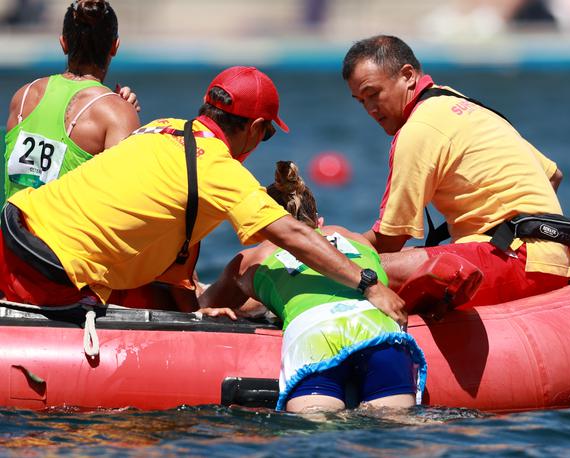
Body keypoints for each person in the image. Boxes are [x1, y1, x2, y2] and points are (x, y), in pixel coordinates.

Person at [0, 65, 406, 322]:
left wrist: (193, 310)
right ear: (256, 127)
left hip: (15, 229)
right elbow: (295, 236)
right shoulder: (219, 169)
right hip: (46, 272)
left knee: (175, 298)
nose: (261, 142)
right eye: (266, 133)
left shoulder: (160, 126)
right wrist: (368, 284)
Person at [342, 35, 570, 310]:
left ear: (407, 75)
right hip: (552, 258)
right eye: (360, 101)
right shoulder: (458, 102)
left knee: (356, 270)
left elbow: (389, 241)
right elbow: (553, 175)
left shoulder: (419, 130)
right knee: (398, 261)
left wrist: (330, 247)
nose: (370, 109)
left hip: (520, 262)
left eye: (374, 94)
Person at [199, 161, 426, 413]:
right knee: (398, 422)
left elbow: (206, 305)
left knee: (315, 428)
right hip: (377, 326)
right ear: (319, 222)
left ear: (267, 231)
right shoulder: (354, 237)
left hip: (315, 332)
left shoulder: (251, 259)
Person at [4, 0, 140, 202]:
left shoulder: (24, 96)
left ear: (63, 43)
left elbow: (27, 179)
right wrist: (123, 112)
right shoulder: (116, 114)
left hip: (11, 231)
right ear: (115, 47)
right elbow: (123, 201)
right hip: (62, 233)